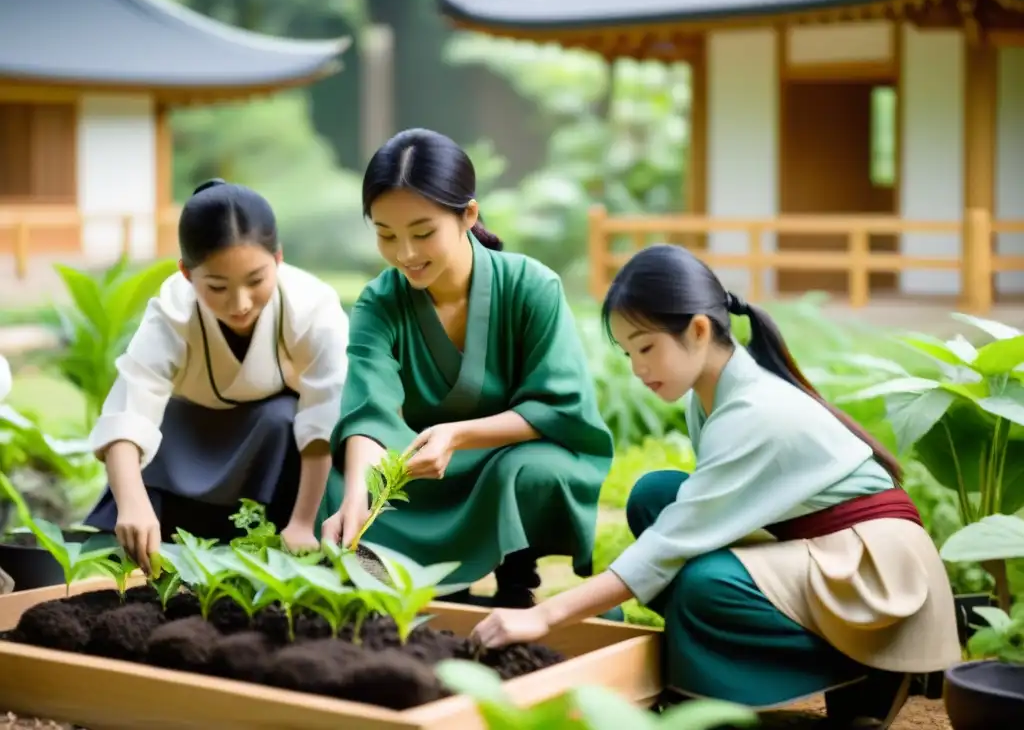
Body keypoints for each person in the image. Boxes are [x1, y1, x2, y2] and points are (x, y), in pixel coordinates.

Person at [469, 244, 961, 727]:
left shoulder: (752, 412)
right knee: (655, 497)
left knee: (704, 586)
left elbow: (672, 543)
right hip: (827, 550)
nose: (638, 367)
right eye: (627, 352)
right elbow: (685, 527)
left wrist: (546, 616)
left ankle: (864, 668)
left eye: (647, 347)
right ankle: (750, 657)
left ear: (699, 331)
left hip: (876, 575)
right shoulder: (708, 396)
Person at [318, 128, 614, 607]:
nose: (406, 254)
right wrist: (359, 495)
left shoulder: (532, 286)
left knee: (532, 471)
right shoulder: (379, 301)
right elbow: (369, 412)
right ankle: (412, 585)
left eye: (423, 232)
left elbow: (557, 406)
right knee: (337, 486)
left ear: (467, 215)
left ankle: (517, 579)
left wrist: (458, 435)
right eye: (386, 235)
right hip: (415, 467)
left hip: (503, 459)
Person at [85, 179, 350, 572]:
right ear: (187, 274)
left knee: (281, 417)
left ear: (278, 258)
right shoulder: (173, 309)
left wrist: (301, 522)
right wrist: (132, 502)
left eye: (256, 281)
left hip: (273, 445)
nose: (240, 303)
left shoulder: (313, 307)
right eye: (217, 286)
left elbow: (322, 418)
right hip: (185, 442)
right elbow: (131, 407)